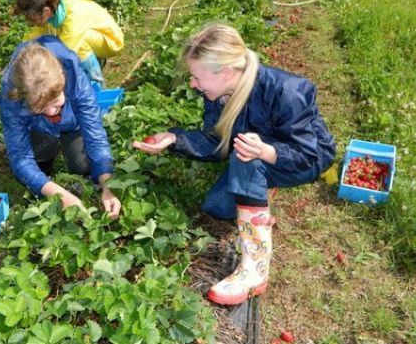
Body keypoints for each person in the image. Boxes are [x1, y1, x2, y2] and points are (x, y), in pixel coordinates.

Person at [132, 23, 336, 305]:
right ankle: (259, 190)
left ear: (225, 72)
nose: (193, 84)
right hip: (260, 154)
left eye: (196, 76)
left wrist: (267, 152)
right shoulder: (218, 94)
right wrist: (174, 139)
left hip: (302, 158)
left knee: (245, 158)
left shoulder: (287, 91)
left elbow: (310, 154)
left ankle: (254, 270)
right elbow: (217, 145)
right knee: (217, 207)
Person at [0, 35, 121, 219]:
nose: (51, 112)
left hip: (72, 124)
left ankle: (85, 177)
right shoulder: (12, 99)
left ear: (63, 79)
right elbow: (20, 156)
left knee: (82, 165)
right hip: (38, 128)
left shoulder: (74, 76)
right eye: (40, 108)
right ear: (23, 98)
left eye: (56, 102)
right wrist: (56, 193)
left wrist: (108, 184)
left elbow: (95, 135)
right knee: (36, 162)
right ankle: (45, 170)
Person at [14, 0, 124, 88]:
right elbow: (34, 35)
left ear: (46, 12)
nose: (30, 22)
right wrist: (21, 54)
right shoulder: (50, 4)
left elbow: (67, 52)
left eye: (31, 18)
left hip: (110, 39)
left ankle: (97, 84)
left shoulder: (73, 14)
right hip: (89, 36)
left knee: (79, 47)